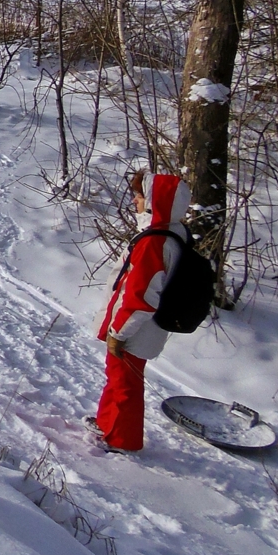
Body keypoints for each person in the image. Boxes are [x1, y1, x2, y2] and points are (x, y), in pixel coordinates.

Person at [93, 169, 190, 452]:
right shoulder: (170, 233)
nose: (134, 201)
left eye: (139, 196)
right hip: (142, 328)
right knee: (117, 376)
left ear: (153, 202)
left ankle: (123, 440)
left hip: (136, 329)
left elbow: (141, 297)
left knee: (126, 384)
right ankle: (106, 424)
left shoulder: (154, 242)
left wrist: (119, 333)